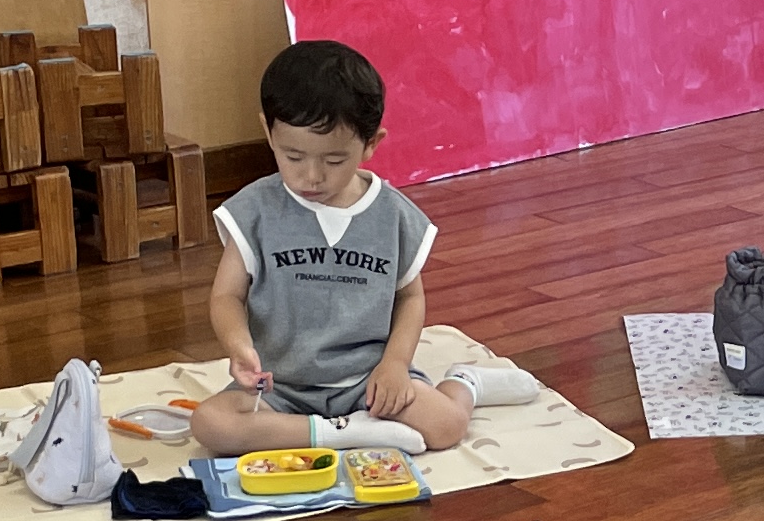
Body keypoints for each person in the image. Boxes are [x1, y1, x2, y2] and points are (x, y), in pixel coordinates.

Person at [190, 40, 536, 456]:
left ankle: (466, 383)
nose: (311, 176)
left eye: (334, 161)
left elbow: (410, 298)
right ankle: (345, 433)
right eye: (293, 156)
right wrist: (238, 346)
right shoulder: (254, 211)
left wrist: (395, 365)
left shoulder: (394, 215)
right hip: (281, 386)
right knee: (211, 424)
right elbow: (227, 296)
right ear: (268, 132)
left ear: (371, 143)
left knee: (445, 427)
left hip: (367, 381)